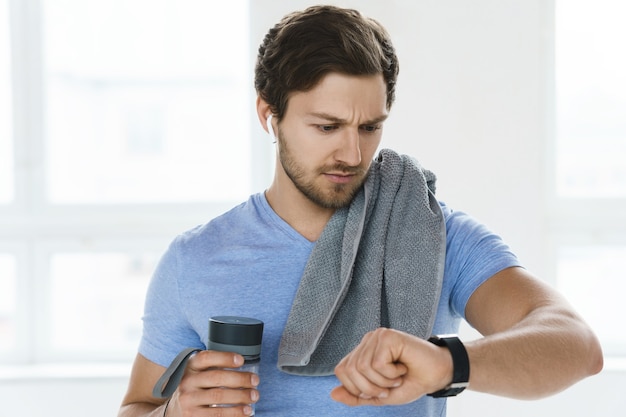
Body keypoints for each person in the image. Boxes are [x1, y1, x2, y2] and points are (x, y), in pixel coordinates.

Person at [118, 5, 603, 417]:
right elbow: (136, 406)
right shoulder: (196, 259)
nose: (352, 154)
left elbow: (576, 345)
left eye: (369, 127)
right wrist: (173, 411)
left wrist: (447, 363)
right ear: (269, 114)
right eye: (327, 127)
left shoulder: (434, 234)